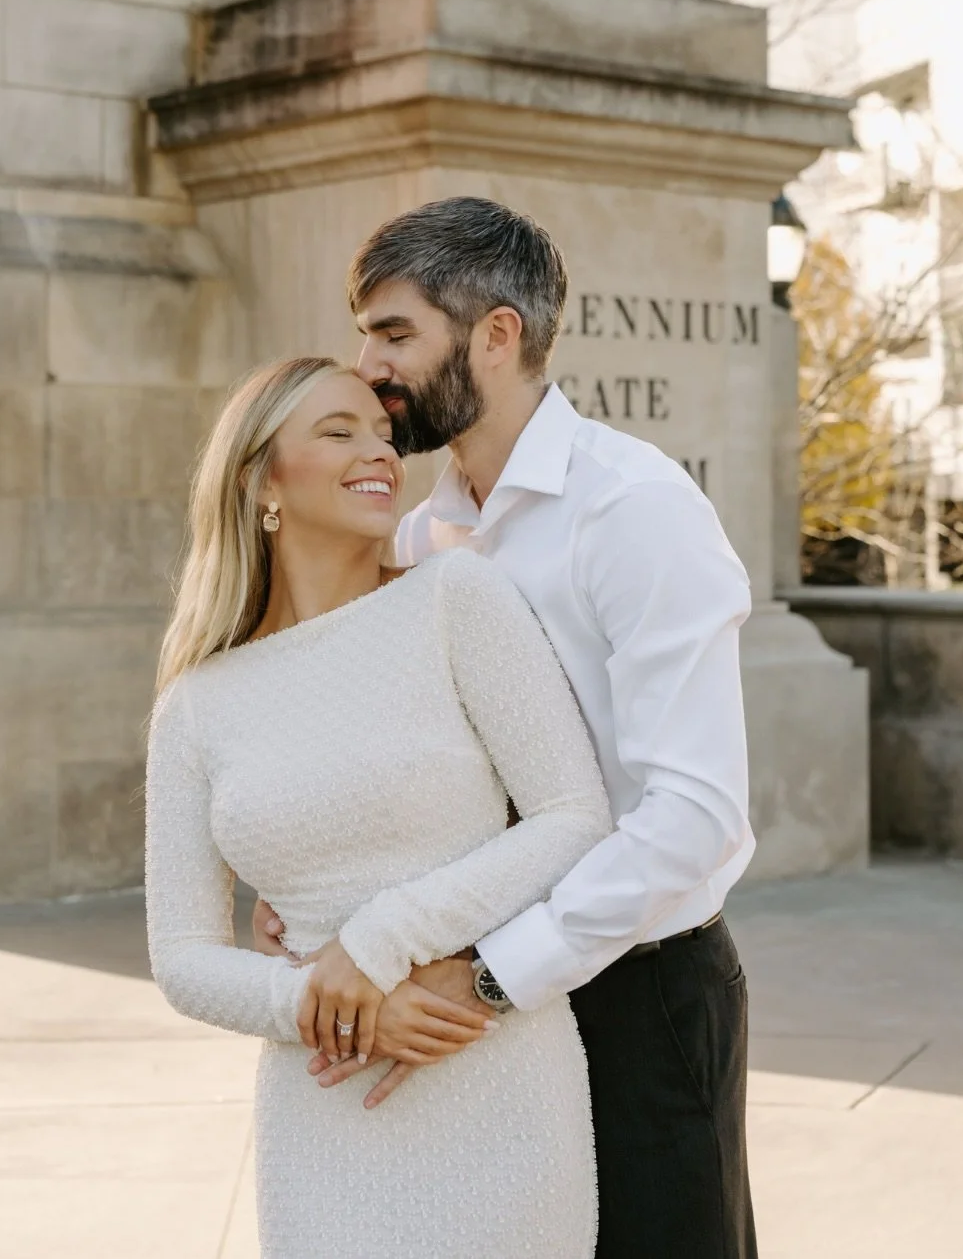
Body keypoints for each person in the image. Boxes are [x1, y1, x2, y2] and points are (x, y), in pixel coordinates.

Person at [257, 198, 759, 1258]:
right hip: (477, 998)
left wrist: (490, 972)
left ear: (497, 334)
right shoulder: (417, 535)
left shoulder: (637, 511)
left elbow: (692, 819)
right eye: (364, 332)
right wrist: (311, 886)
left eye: (395, 333)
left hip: (639, 992)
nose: (367, 364)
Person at [145, 355, 615, 1258]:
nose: (381, 455)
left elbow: (573, 816)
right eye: (338, 432)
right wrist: (326, 1007)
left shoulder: (454, 600)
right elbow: (182, 957)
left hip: (492, 1072)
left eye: (385, 435)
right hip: (325, 1101)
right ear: (260, 480)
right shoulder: (197, 704)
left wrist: (376, 942)